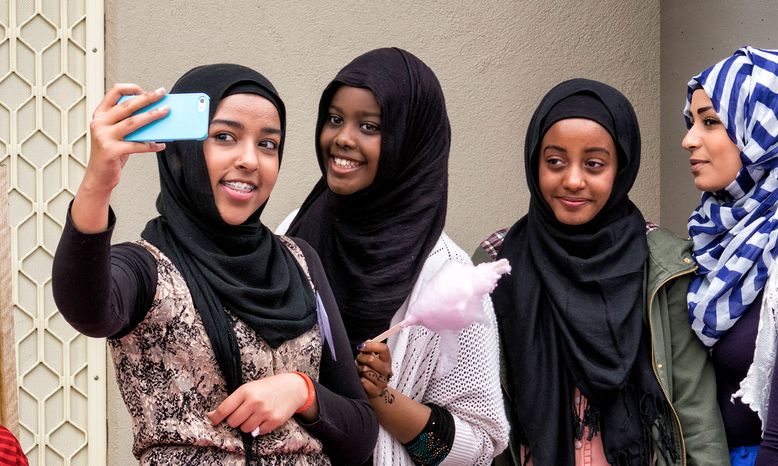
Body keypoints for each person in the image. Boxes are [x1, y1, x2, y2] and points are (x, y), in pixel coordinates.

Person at [51, 64, 377, 465]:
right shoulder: (146, 268)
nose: (250, 160)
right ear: (181, 152)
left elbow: (361, 435)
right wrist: (98, 183)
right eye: (225, 137)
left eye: (268, 144)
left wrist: (301, 391)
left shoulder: (300, 261)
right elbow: (86, 309)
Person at [472, 78, 729, 466]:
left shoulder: (662, 262)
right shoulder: (497, 262)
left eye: (594, 164)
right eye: (555, 161)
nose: (573, 180)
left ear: (621, 168)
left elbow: (696, 417)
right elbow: (480, 408)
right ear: (533, 161)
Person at [279, 48, 508, 465]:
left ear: (411, 141)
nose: (343, 138)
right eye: (334, 119)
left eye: (369, 126)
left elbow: (478, 449)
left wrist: (382, 397)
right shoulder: (294, 230)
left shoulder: (445, 273)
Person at [682, 46, 778, 465]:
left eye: (711, 121)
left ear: (771, 133)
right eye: (692, 122)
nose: (688, 139)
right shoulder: (724, 242)